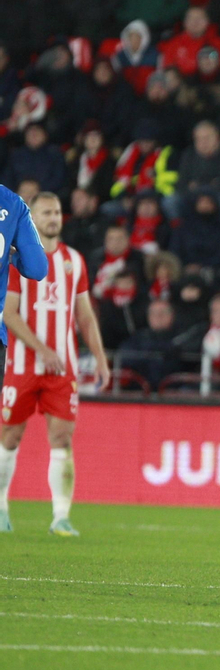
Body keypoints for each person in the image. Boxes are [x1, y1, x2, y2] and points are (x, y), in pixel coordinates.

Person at [0, 192, 108, 536]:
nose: (53, 218)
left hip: (63, 367)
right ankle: (1, 508)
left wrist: (102, 358)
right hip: (21, 364)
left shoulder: (74, 261)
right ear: (32, 218)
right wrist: (40, 348)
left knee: (62, 438)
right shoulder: (16, 259)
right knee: (9, 437)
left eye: (57, 212)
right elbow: (9, 313)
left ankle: (61, 517)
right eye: (46, 212)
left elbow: (85, 316)